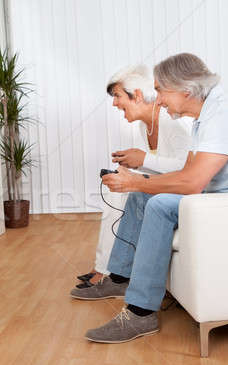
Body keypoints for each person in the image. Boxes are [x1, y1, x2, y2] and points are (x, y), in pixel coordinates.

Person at [81, 53, 228, 344]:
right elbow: (189, 172)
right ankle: (120, 279)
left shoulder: (224, 116)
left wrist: (138, 181)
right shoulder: (207, 116)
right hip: (221, 197)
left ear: (185, 91)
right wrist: (139, 184)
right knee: (141, 196)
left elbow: (193, 181)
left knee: (158, 203)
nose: (157, 99)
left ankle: (140, 313)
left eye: (160, 90)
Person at [73, 64, 192, 291]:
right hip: (168, 184)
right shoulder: (144, 126)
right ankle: (104, 268)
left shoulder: (171, 121)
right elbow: (161, 167)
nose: (114, 103)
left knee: (125, 192)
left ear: (137, 95)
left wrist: (143, 160)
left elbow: (189, 168)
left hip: (183, 188)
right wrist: (133, 170)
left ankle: (108, 272)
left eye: (117, 96)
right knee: (118, 188)